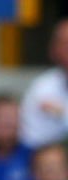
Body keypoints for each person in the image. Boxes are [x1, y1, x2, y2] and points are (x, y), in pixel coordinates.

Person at [19, 19, 68, 150]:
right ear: (53, 50)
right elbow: (31, 138)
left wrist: (62, 113)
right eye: (64, 43)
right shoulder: (42, 87)